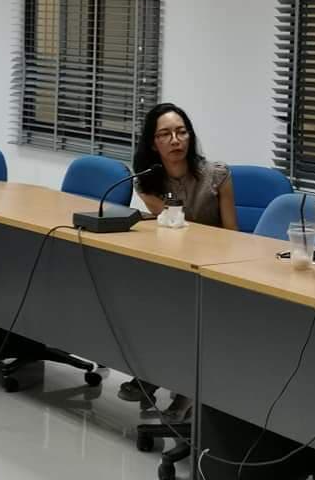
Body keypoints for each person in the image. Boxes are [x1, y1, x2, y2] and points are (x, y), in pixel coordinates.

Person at [117, 102, 238, 421]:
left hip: (213, 270)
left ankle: (183, 391)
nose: (175, 140)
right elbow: (173, 230)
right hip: (174, 266)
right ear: (153, 143)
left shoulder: (218, 176)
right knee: (150, 301)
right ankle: (155, 373)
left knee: (179, 310)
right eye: (166, 134)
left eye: (182, 132)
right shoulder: (147, 182)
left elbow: (233, 238)